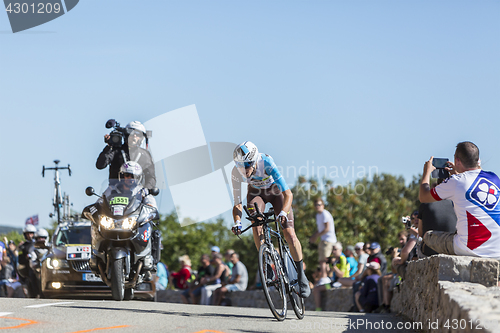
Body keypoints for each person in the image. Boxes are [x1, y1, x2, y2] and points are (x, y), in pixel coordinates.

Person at [230, 141, 310, 298]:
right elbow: (237, 203)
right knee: (255, 220)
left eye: (246, 166)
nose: (243, 170)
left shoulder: (266, 162)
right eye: (240, 166)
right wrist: (237, 222)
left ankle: (301, 276)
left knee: (290, 235)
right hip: (256, 194)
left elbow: (288, 194)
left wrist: (283, 213)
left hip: (276, 193)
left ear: (253, 161)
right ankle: (266, 261)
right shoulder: (236, 172)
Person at [419, 142, 500, 258]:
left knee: (428, 236)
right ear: (478, 160)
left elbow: (423, 197)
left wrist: (426, 172)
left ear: (457, 161)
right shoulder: (494, 178)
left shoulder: (456, 181)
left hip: (469, 248)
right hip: (497, 250)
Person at [96, 121, 156, 189]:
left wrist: (146, 190)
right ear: (126, 134)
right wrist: (109, 147)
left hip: (138, 193)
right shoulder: (116, 151)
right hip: (114, 191)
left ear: (141, 138)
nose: (134, 136)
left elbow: (151, 177)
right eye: (131, 132)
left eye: (137, 134)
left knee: (150, 200)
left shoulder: (145, 155)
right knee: (101, 200)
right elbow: (100, 165)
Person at [418, 180, 458, 257]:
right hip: (451, 249)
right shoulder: (456, 203)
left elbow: (420, 233)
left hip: (429, 251)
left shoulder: (425, 203)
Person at [313, 242, 349, 311]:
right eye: (332, 250)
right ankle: (318, 309)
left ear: (340, 250)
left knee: (318, 288)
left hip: (342, 282)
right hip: (335, 282)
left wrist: (334, 265)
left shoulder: (343, 258)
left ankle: (318, 309)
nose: (333, 252)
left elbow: (341, 274)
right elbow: (329, 274)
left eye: (335, 249)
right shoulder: (336, 259)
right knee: (316, 289)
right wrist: (326, 265)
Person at [309, 198, 337, 281]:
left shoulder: (325, 214)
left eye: (319, 205)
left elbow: (327, 229)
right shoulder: (318, 215)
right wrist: (313, 236)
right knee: (322, 260)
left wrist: (316, 236)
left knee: (324, 260)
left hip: (328, 240)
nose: (317, 206)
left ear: (323, 205)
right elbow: (320, 229)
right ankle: (327, 277)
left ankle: (324, 278)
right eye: (316, 205)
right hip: (323, 239)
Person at [17, 224, 39, 298]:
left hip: (40, 264)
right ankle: (35, 293)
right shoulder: (23, 246)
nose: (29, 235)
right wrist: (26, 258)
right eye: (28, 233)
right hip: (30, 266)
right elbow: (20, 259)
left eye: (31, 233)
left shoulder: (38, 244)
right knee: (31, 275)